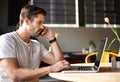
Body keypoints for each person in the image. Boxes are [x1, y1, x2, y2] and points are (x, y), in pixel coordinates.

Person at [0, 4, 70, 82]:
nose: (42, 27)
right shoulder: (6, 40)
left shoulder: (37, 45)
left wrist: (52, 39)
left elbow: (61, 63)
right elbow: (14, 75)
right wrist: (51, 68)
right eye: (39, 22)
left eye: (42, 23)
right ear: (27, 21)